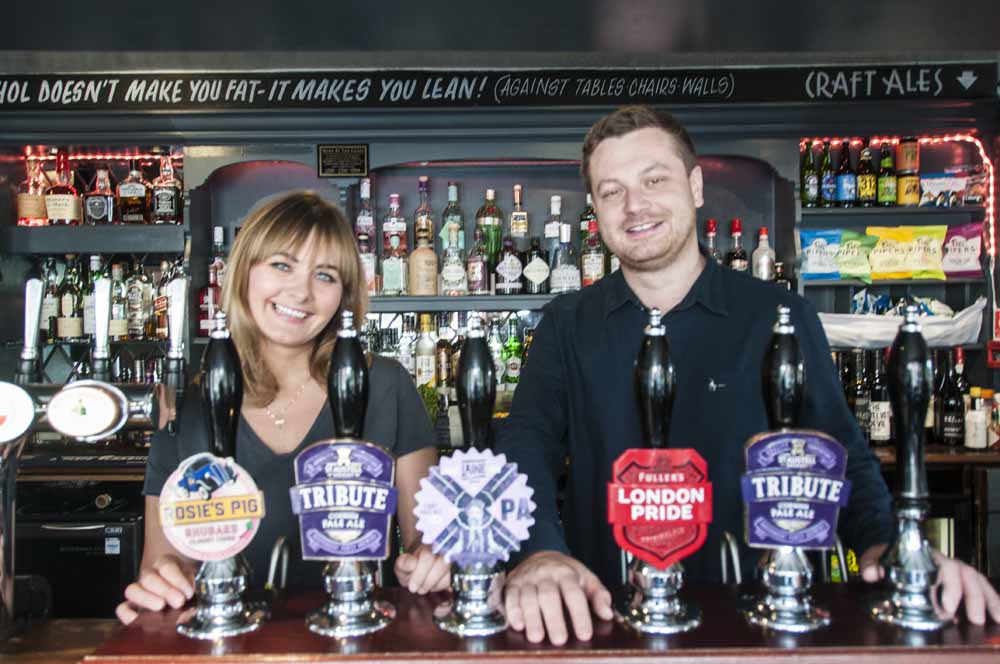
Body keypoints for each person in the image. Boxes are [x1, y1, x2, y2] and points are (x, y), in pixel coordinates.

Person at [495, 105, 1000, 645]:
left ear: (695, 187)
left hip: (763, 624)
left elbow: (839, 452)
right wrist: (539, 554)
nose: (634, 205)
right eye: (612, 191)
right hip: (607, 622)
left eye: (654, 180)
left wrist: (892, 548)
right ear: (595, 209)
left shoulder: (778, 316)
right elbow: (527, 448)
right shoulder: (567, 323)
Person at [116, 191, 450, 625]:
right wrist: (166, 582)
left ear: (345, 295)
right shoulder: (187, 405)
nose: (301, 292)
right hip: (231, 643)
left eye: (325, 275)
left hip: (356, 636)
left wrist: (430, 560)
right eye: (281, 265)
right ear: (244, 273)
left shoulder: (384, 385)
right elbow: (164, 561)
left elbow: (425, 537)